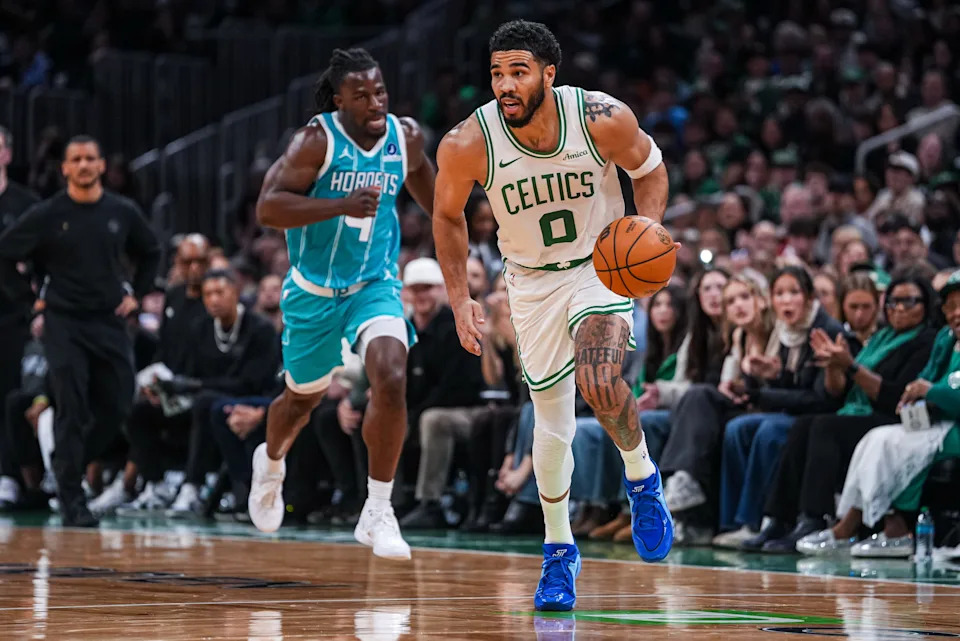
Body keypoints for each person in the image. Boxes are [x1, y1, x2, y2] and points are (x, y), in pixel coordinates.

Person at [431, 20, 674, 612]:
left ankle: (640, 478)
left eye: (518, 71)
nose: (506, 85)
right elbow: (446, 216)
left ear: (548, 73)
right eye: (496, 73)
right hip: (530, 284)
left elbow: (650, 169)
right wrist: (461, 297)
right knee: (551, 424)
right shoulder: (468, 141)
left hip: (599, 265)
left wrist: (647, 229)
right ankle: (558, 550)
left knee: (599, 376)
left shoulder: (600, 118)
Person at [250, 48, 436, 561]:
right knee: (301, 401)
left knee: (392, 375)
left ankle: (378, 509)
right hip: (313, 292)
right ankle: (269, 464)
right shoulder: (315, 141)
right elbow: (268, 209)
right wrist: (339, 204)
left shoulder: (405, 136)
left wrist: (452, 218)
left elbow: (428, 184)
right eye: (361, 95)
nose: (375, 101)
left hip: (374, 284)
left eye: (380, 91)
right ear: (339, 101)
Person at [0, 135, 160, 527]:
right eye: (77, 159)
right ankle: (72, 500)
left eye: (91, 158)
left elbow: (151, 251)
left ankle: (64, 464)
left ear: (102, 165)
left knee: (120, 401)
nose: (85, 164)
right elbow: (5, 253)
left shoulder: (121, 211)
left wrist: (137, 295)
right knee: (71, 405)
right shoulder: (49, 212)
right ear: (65, 168)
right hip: (63, 321)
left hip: (108, 320)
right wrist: (29, 300)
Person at [751, 274, 938, 552]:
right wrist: (833, 367)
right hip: (856, 412)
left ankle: (815, 518)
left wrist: (850, 366)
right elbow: (836, 392)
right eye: (895, 301)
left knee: (825, 427)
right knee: (804, 425)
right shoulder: (882, 337)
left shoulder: (926, 340)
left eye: (910, 301)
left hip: (893, 418)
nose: (900, 308)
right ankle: (780, 519)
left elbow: (895, 397)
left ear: (926, 305)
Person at [798, 272, 960, 557]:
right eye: (951, 306)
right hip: (938, 420)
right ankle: (857, 526)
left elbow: (945, 390)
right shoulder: (946, 339)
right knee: (875, 439)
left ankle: (882, 528)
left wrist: (929, 391)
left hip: (955, 424)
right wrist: (914, 396)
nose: (956, 313)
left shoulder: (929, 338)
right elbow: (926, 377)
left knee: (889, 443)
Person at [0, 125, 40, 500]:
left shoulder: (26, 204)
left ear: (8, 154)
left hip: (12, 314)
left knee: (9, 392)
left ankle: (8, 475)